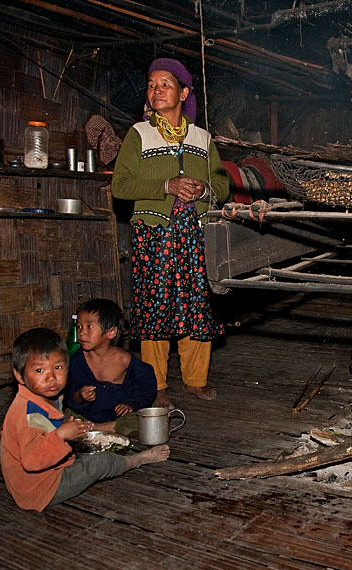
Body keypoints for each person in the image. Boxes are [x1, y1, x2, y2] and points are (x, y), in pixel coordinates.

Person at [111, 57, 230, 406]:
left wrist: (205, 191)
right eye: (151, 84)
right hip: (155, 232)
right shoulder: (139, 134)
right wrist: (167, 184)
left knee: (197, 302)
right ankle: (156, 386)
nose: (156, 89)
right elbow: (121, 185)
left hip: (194, 231)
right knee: (154, 305)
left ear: (183, 92)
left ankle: (195, 380)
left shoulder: (202, 138)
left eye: (165, 83)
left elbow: (222, 183)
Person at [0, 328, 170, 512]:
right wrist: (61, 435)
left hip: (36, 479)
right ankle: (138, 460)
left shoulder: (40, 397)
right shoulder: (30, 415)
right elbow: (31, 461)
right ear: (19, 375)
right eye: (39, 370)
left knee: (78, 432)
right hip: (42, 490)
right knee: (100, 462)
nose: (51, 378)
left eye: (58, 367)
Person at [65, 298, 160, 436]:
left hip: (118, 418)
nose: (82, 333)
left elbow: (147, 385)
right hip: (87, 414)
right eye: (79, 326)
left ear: (111, 332)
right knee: (64, 415)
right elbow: (70, 396)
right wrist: (80, 395)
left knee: (141, 420)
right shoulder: (76, 362)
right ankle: (99, 427)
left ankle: (95, 428)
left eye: (89, 327)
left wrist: (130, 403)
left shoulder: (124, 360)